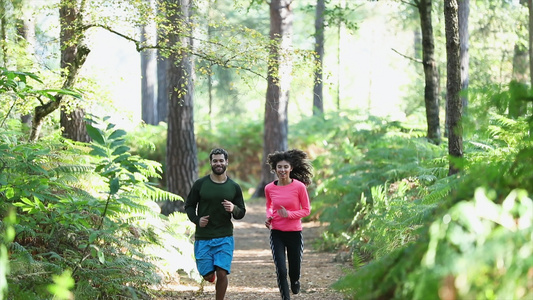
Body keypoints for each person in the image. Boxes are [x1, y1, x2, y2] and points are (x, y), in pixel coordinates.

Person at [185, 148, 246, 300]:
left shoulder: (234, 187)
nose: (218, 163)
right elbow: (189, 206)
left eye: (221, 160)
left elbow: (241, 212)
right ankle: (209, 276)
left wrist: (234, 208)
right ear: (211, 163)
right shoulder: (200, 184)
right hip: (203, 236)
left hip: (224, 235)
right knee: (208, 274)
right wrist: (197, 220)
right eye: (215, 161)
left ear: (227, 162)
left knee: (222, 272)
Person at [264, 149, 312, 300]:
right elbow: (269, 206)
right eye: (279, 167)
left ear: (291, 168)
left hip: (294, 233)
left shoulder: (299, 187)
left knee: (294, 269)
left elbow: (306, 210)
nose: (282, 170)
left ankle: (295, 281)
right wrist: (269, 217)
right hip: (277, 232)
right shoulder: (269, 188)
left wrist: (290, 214)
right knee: (281, 270)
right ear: (275, 169)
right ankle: (285, 297)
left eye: (285, 167)